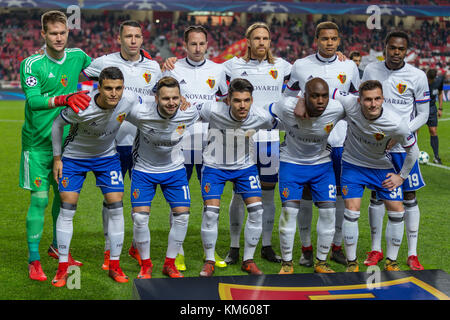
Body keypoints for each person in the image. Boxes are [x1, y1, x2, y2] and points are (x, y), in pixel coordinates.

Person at [82, 19, 162, 270]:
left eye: (137, 36)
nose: (133, 41)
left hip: (143, 144)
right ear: (119, 38)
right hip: (112, 144)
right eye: (128, 36)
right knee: (112, 200)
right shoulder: (104, 62)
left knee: (142, 203)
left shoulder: (153, 66)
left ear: (142, 38)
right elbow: (83, 79)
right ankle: (109, 251)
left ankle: (136, 248)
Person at [50, 67, 139, 287]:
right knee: (67, 207)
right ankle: (63, 267)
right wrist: (57, 158)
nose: (113, 93)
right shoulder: (81, 106)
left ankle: (114, 265)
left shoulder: (128, 101)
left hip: (106, 157)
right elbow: (57, 124)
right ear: (98, 87)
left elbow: (150, 112)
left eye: (118, 88)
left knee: (117, 206)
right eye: (108, 88)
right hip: (74, 158)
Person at [19, 10, 90, 281]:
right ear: (43, 35)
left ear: (68, 32)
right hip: (37, 145)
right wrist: (65, 99)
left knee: (65, 200)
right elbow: (34, 102)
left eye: (62, 32)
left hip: (67, 145)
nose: (58, 38)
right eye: (53, 33)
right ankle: (33, 259)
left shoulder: (78, 56)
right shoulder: (32, 64)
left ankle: (57, 248)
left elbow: (104, 72)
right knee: (40, 200)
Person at [286, 21, 360, 268]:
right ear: (316, 40)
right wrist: (298, 99)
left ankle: (336, 246)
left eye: (334, 39)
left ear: (339, 40)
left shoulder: (349, 66)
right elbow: (287, 99)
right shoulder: (300, 65)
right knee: (306, 196)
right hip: (308, 144)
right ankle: (307, 248)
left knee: (340, 196)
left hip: (341, 142)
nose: (330, 43)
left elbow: (357, 101)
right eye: (325, 39)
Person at [222, 22, 292, 265]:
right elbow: (209, 76)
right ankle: (234, 247)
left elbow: (307, 75)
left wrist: (338, 56)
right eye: (257, 38)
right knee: (239, 194)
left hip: (270, 140)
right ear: (248, 42)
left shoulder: (281, 66)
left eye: (266, 38)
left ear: (270, 42)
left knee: (268, 195)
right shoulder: (233, 65)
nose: (262, 43)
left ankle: (266, 245)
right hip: (239, 138)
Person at [331, 80, 419, 272]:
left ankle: (391, 262)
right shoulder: (349, 103)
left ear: (383, 99)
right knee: (352, 211)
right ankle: (352, 263)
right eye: (368, 99)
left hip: (381, 167)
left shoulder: (395, 122)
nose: (373, 104)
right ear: (359, 100)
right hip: (353, 165)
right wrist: (301, 101)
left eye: (377, 99)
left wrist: (401, 177)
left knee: (397, 210)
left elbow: (414, 151)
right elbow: (326, 90)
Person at [162, 25, 228, 271]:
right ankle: (176, 251)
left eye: (202, 44)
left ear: (207, 44)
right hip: (180, 142)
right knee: (177, 200)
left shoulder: (218, 70)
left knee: (210, 201)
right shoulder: (173, 68)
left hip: (211, 142)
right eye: (193, 44)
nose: (198, 48)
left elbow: (225, 99)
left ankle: (210, 251)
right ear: (185, 45)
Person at [362, 31, 429, 270]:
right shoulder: (371, 70)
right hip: (377, 147)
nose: (396, 52)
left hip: (404, 146)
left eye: (401, 49)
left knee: (409, 196)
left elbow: (423, 114)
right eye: (392, 48)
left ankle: (412, 253)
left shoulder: (417, 76)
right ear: (385, 48)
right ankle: (376, 249)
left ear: (407, 50)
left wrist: (401, 133)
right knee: (378, 195)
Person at [198, 78, 278, 277]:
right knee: (210, 213)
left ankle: (248, 260)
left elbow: (285, 121)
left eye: (246, 100)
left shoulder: (262, 117)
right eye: (237, 101)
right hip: (214, 165)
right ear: (227, 101)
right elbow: (189, 109)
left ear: (251, 100)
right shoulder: (212, 110)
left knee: (257, 211)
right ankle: (209, 260)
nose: (242, 105)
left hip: (245, 166)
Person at [126, 76, 199, 279]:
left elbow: (212, 108)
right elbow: (115, 111)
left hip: (174, 170)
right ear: (156, 98)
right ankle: (146, 265)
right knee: (140, 218)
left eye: (176, 98)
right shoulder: (139, 113)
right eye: (166, 98)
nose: (171, 102)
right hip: (144, 170)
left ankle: (170, 263)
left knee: (182, 216)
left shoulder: (189, 112)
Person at [272, 78, 345, 274]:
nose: (320, 101)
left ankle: (321, 262)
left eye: (324, 96)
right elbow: (265, 111)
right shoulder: (285, 106)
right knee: (289, 213)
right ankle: (287, 264)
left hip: (322, 165)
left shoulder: (337, 108)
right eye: (314, 96)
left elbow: (363, 108)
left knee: (329, 212)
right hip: (291, 164)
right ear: (304, 96)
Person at [426, 69, 444, 164]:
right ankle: (411, 155)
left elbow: (440, 93)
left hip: (432, 108)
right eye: (428, 79)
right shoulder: (421, 81)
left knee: (433, 131)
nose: (429, 82)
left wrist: (440, 108)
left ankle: (436, 156)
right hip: (419, 108)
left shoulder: (439, 81)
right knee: (414, 132)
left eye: (431, 80)